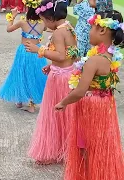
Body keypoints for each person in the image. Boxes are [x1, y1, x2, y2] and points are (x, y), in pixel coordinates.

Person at [55, 10, 124, 179]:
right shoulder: (111, 56)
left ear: (102, 30)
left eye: (91, 27)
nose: (89, 31)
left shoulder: (94, 60)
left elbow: (80, 91)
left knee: (86, 146)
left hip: (91, 107)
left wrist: (63, 102)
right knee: (99, 144)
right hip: (105, 105)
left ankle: (89, 174)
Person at [25, 0, 79, 164]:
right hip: (68, 74)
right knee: (65, 116)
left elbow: (61, 55)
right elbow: (72, 54)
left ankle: (53, 152)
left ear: (51, 18)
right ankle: (65, 149)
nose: (44, 24)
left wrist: (39, 50)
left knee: (54, 115)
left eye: (44, 20)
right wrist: (52, 65)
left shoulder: (57, 33)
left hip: (59, 78)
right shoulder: (69, 27)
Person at [0, 0, 47, 113]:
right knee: (34, 76)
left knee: (21, 74)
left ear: (27, 9)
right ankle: (32, 105)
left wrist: (12, 17)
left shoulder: (22, 22)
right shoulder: (42, 23)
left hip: (23, 52)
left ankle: (19, 100)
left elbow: (8, 29)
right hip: (36, 52)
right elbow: (45, 29)